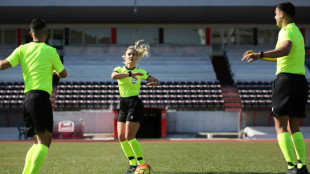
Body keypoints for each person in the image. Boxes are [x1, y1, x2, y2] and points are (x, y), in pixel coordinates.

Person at [242, 2, 308, 174]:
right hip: (301, 81)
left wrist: (260, 54)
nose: (274, 17)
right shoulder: (298, 33)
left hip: (285, 81)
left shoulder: (285, 31)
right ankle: (302, 166)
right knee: (294, 127)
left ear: (283, 14)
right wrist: (259, 57)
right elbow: (282, 55)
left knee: (280, 126)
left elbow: (284, 50)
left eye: (276, 14)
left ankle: (291, 166)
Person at [0, 18, 67, 174]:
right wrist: (55, 71)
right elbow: (63, 73)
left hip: (28, 99)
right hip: (41, 98)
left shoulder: (22, 49)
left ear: (30, 33)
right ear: (46, 33)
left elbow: (3, 65)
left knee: (37, 142)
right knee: (45, 141)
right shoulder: (50, 51)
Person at [111, 40, 160, 173]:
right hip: (123, 104)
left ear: (137, 58)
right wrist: (130, 74)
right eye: (129, 54)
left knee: (129, 137)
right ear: (125, 57)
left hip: (134, 104)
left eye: (133, 54)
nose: (131, 56)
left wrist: (154, 84)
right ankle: (133, 164)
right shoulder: (119, 69)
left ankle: (142, 164)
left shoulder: (141, 71)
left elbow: (156, 80)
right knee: (120, 137)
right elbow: (113, 76)